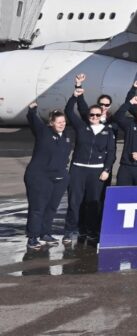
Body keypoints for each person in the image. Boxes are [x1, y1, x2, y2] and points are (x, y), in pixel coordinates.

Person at [63, 76, 116, 244]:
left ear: (101, 115)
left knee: (93, 203)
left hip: (96, 171)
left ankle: (90, 231)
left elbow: (111, 153)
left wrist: (106, 170)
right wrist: (75, 94)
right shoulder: (81, 126)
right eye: (91, 114)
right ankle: (70, 230)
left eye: (97, 114)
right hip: (78, 169)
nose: (94, 116)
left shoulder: (108, 131)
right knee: (74, 201)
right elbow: (69, 111)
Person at [24, 101, 73, 249]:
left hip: (59, 178)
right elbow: (33, 119)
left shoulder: (66, 136)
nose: (62, 124)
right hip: (39, 177)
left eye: (63, 121)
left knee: (52, 207)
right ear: (51, 123)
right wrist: (32, 109)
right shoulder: (43, 132)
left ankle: (45, 233)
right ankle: (32, 237)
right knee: (38, 208)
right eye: (58, 122)